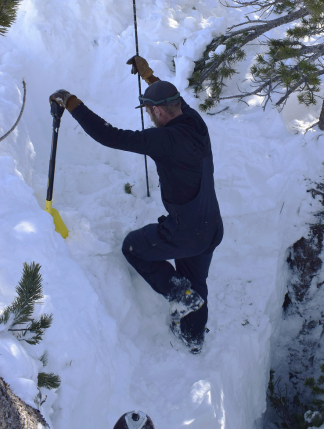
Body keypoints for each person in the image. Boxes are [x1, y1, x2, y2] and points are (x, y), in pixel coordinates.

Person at [49, 56, 223, 353]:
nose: (149, 116)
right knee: (196, 280)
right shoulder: (194, 122)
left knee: (133, 247)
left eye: (149, 111)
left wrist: (70, 101)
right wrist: (149, 76)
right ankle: (194, 339)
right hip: (211, 227)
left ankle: (182, 297)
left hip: (185, 231)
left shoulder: (164, 139)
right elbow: (170, 97)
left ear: (156, 111)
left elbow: (109, 135)